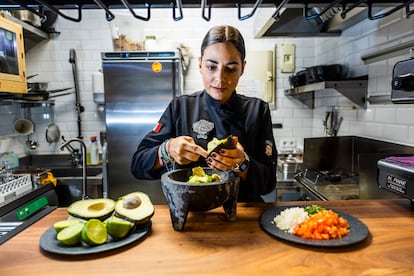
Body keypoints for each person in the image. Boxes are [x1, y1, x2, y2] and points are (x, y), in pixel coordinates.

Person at [131, 25, 277, 202]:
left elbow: (268, 183)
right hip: (191, 213)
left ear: (242, 68)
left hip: (242, 217)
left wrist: (242, 163)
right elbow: (137, 164)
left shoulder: (257, 110)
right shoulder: (180, 107)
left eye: (230, 69)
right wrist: (167, 150)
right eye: (211, 67)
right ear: (200, 64)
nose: (220, 78)